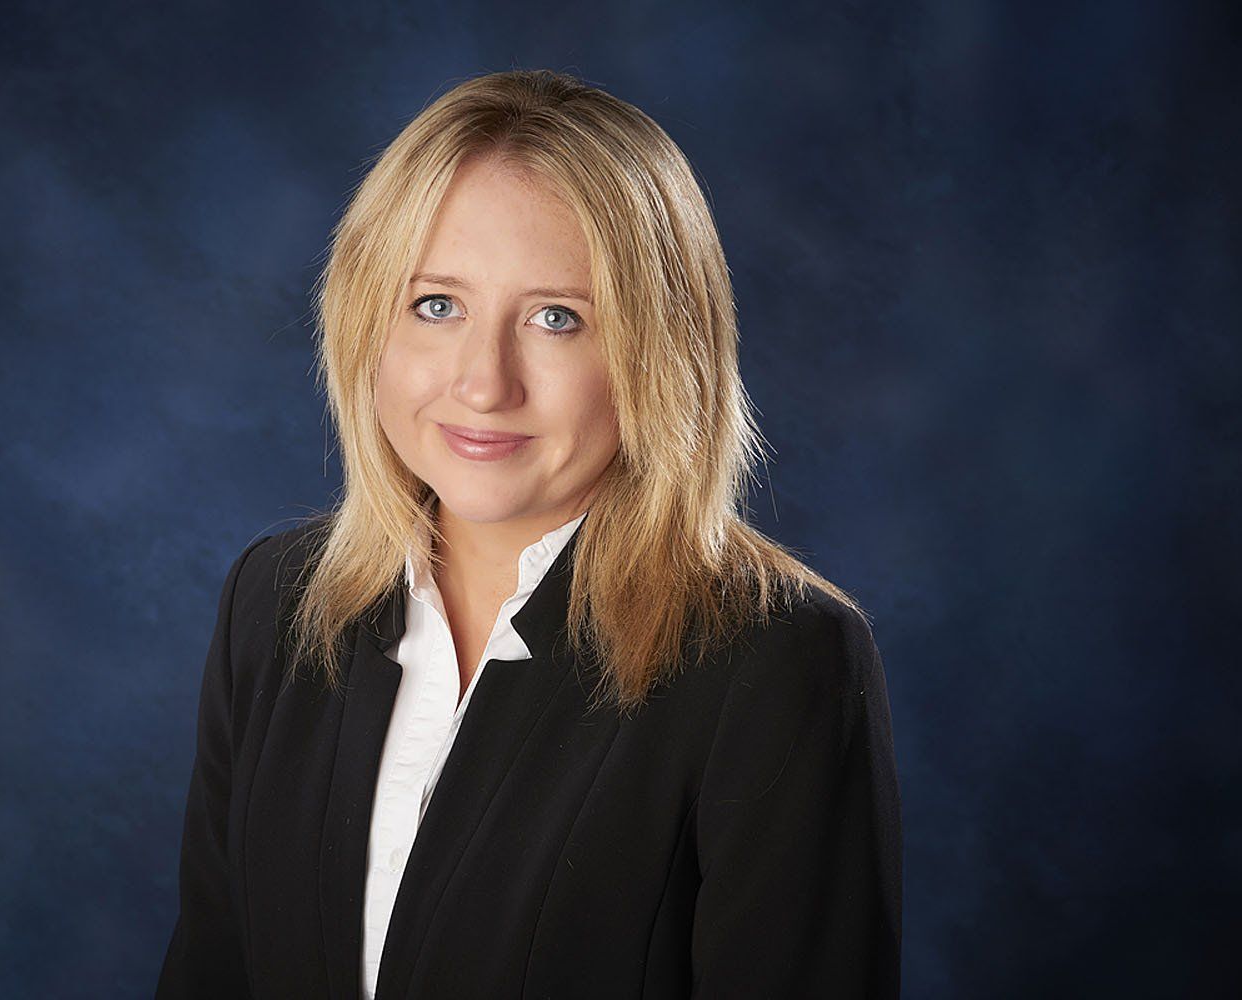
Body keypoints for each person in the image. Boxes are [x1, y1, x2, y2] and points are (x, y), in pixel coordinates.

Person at [156, 69, 901, 999]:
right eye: (437, 305)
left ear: (659, 352)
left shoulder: (778, 660)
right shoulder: (275, 605)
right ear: (364, 321)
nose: (484, 384)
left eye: (557, 319)